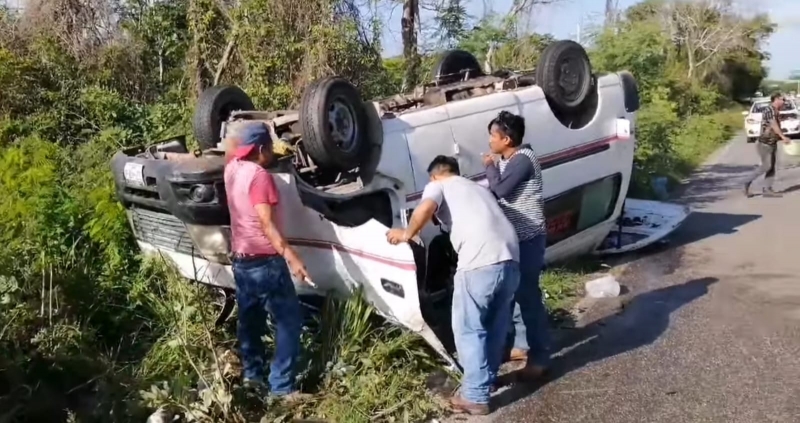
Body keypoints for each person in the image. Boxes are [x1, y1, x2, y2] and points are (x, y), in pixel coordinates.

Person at [386, 156, 520, 415]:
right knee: (494, 325)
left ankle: (475, 396)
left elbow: (425, 207)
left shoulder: (439, 184)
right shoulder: (478, 189)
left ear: (435, 175)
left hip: (480, 262)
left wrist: (407, 233)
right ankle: (486, 381)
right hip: (510, 259)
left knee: (468, 328)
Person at [224, 121, 311, 402]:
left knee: (250, 321)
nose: (273, 152)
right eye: (270, 148)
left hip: (240, 260)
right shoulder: (260, 176)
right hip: (265, 263)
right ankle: (281, 388)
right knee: (289, 321)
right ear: (260, 149)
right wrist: (293, 257)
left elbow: (231, 151)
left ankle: (253, 376)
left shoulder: (232, 169)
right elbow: (266, 224)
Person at [482, 110, 551, 381]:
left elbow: (499, 191)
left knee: (529, 297)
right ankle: (522, 345)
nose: (490, 141)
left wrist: (488, 165)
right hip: (516, 239)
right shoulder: (508, 159)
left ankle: (541, 358)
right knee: (516, 294)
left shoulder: (522, 161)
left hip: (529, 239)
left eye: (493, 136)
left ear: (507, 139)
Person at [744, 92, 791, 198]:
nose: (784, 102)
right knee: (767, 166)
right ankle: (746, 181)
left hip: (771, 142)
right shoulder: (769, 110)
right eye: (783, 99)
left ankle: (767, 189)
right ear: (776, 99)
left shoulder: (775, 111)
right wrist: (783, 137)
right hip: (765, 143)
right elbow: (773, 124)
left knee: (771, 167)